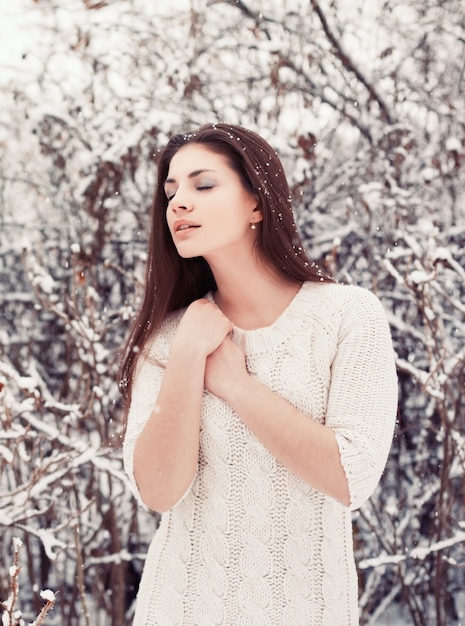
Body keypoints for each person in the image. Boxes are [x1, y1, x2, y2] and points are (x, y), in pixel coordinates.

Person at [119, 123, 398, 625]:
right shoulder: (168, 338)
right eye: (171, 191)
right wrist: (187, 356)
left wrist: (234, 384)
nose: (179, 202)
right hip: (178, 609)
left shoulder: (347, 316)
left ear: (257, 203)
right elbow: (158, 491)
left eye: (203, 185)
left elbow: (350, 477)